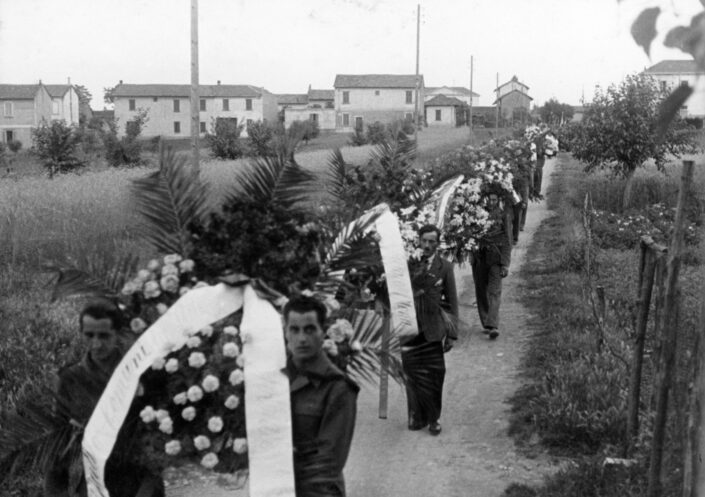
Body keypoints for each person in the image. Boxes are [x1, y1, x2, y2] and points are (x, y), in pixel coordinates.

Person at [45, 299, 164, 497]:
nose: (96, 344)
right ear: (81, 334)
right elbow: (57, 442)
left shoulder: (138, 374)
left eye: (104, 336)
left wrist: (148, 488)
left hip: (139, 482)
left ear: (117, 334)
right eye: (89, 335)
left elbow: (157, 440)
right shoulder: (70, 379)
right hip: (93, 484)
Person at [283, 296, 359, 497]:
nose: (301, 338)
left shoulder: (338, 387)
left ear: (323, 332)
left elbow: (329, 463)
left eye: (309, 329)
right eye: (294, 330)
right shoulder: (277, 379)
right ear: (285, 332)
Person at [402, 224, 459, 436]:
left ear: (437, 243)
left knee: (436, 374)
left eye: (431, 241)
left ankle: (434, 417)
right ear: (418, 241)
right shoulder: (407, 265)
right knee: (412, 374)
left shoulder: (444, 267)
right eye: (424, 241)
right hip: (410, 329)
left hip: (434, 330)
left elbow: (452, 302)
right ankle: (416, 415)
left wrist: (451, 334)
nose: (427, 245)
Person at [471, 192, 513, 340]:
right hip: (480, 260)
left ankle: (493, 325)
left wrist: (505, 264)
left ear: (499, 200)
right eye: (489, 199)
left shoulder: (503, 216)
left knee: (494, 292)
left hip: (496, 260)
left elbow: (508, 240)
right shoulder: (475, 216)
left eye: (495, 200)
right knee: (481, 291)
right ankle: (486, 322)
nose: (492, 202)